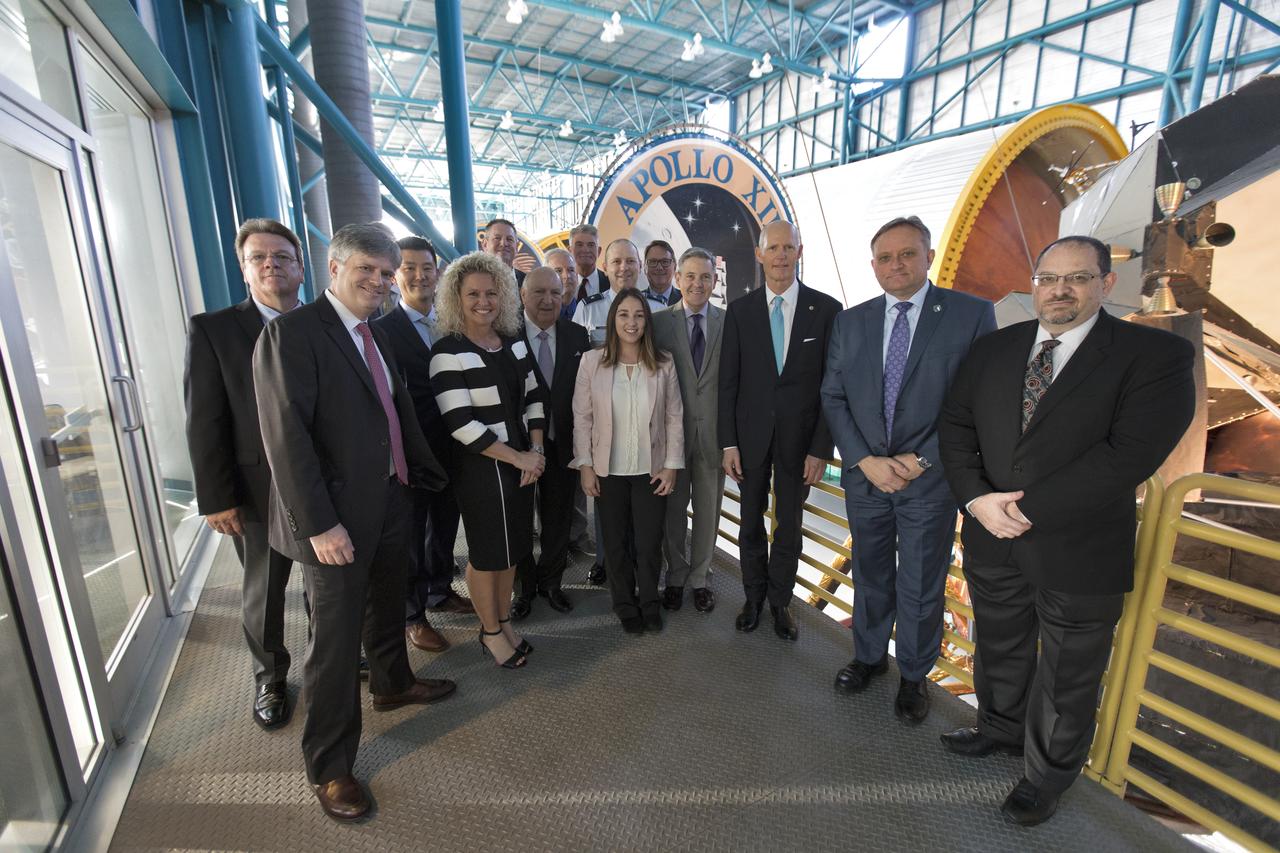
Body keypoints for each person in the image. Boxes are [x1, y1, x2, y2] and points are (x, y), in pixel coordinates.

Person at [937, 235, 1195, 826]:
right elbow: (955, 427)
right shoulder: (994, 350)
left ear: (1106, 284)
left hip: (1079, 548)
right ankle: (999, 730)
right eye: (1049, 278)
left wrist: (1026, 510)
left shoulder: (1154, 357)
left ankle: (1046, 776)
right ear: (1035, 283)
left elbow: (1129, 454)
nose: (1060, 290)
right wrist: (977, 500)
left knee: (1068, 671)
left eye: (1076, 278)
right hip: (990, 535)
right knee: (999, 644)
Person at [253, 223, 455, 822]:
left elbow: (391, 408)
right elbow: (286, 440)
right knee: (335, 647)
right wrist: (319, 526)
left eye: (385, 272)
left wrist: (418, 473)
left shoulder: (373, 333)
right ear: (333, 268)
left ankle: (393, 684)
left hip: (390, 499)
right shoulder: (293, 335)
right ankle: (330, 765)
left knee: (387, 604)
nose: (378, 280)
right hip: (333, 521)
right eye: (365, 269)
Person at [821, 216, 996, 723]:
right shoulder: (851, 322)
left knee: (922, 581)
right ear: (873, 265)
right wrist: (864, 460)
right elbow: (833, 397)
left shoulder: (969, 315)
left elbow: (975, 401)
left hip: (931, 480)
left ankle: (914, 676)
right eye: (885, 257)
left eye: (906, 254)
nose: (895, 265)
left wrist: (920, 460)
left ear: (928, 256)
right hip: (866, 476)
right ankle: (869, 657)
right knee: (872, 573)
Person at [185, 218, 303, 730]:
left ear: (300, 266)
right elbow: (204, 418)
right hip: (258, 488)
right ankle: (270, 676)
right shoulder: (213, 330)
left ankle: (339, 657)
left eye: (281, 256)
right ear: (244, 268)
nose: (271, 265)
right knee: (265, 587)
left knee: (334, 583)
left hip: (328, 481)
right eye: (259, 258)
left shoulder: (325, 321)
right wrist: (216, 497)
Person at [719, 220, 841, 641]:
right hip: (749, 441)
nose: (781, 255)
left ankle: (780, 602)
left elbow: (831, 385)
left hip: (799, 444)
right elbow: (728, 383)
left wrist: (820, 448)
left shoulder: (826, 310)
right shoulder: (740, 311)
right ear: (760, 254)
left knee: (789, 524)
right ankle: (752, 598)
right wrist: (728, 443)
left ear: (800, 252)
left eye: (789, 247)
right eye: (774, 248)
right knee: (750, 522)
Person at [428, 252, 546, 668]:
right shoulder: (446, 352)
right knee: (487, 554)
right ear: (455, 298)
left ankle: (503, 620)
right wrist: (520, 458)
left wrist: (536, 451)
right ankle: (490, 631)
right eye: (473, 294)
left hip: (522, 464)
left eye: (492, 293)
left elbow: (534, 397)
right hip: (481, 469)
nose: (484, 301)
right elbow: (460, 424)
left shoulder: (513, 342)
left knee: (513, 551)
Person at [374, 236, 470, 659]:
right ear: (395, 276)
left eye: (426, 267)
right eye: (408, 267)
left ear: (438, 273)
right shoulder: (381, 332)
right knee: (410, 537)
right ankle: (413, 616)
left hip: (455, 449)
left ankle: (438, 589)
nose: (419, 275)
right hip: (412, 454)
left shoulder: (453, 323)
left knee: (445, 527)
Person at [572, 287, 684, 633]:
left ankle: (649, 602)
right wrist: (586, 466)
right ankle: (624, 604)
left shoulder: (663, 363)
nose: (631, 322)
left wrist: (671, 465)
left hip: (650, 470)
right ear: (613, 319)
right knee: (616, 543)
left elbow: (674, 417)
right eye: (624, 315)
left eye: (638, 315)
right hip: (609, 470)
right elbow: (583, 417)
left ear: (646, 321)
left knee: (649, 543)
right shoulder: (592, 362)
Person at [573, 238, 665, 583]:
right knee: (608, 508)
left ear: (639, 266)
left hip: (643, 420)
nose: (624, 268)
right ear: (605, 266)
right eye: (617, 262)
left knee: (643, 510)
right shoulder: (588, 308)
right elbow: (583, 366)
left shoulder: (656, 309)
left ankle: (642, 571)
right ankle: (606, 562)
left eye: (631, 261)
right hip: (604, 421)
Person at [511, 267, 589, 620]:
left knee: (558, 518)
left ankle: (551, 583)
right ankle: (524, 589)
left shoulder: (577, 336)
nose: (548, 300)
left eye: (555, 293)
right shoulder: (504, 335)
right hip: (518, 449)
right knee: (519, 520)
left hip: (564, 443)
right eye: (539, 292)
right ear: (523, 296)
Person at [651, 247, 725, 614]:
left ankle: (700, 578)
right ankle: (676, 576)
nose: (698, 283)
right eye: (691, 276)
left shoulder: (729, 323)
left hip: (713, 437)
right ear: (678, 279)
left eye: (705, 276)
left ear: (714, 281)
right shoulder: (658, 323)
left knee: (709, 511)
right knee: (672, 512)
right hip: (671, 440)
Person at [568, 224, 609, 315]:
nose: (585, 250)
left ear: (598, 251)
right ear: (570, 250)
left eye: (591, 245)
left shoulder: (611, 284)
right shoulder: (560, 286)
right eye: (579, 245)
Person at [481, 217, 525, 286]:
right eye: (497, 238)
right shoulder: (475, 280)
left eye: (509, 239)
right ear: (485, 244)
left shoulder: (528, 282)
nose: (504, 243)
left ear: (516, 246)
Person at [642, 239, 681, 306]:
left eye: (665, 262)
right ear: (645, 267)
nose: (659, 267)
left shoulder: (687, 300)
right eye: (653, 262)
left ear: (674, 266)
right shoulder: (635, 301)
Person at [545, 247, 579, 320]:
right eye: (558, 271)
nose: (567, 276)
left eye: (571, 270)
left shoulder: (587, 309)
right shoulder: (539, 314)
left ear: (577, 274)